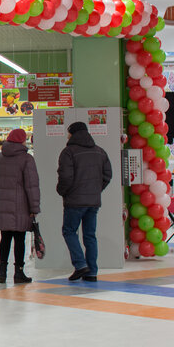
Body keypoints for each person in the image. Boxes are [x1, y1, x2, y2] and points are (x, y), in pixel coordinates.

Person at [57, 121, 112, 282]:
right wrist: (96, 190)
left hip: (74, 201)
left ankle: (80, 264)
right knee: (90, 236)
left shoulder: (68, 152)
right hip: (93, 201)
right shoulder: (100, 151)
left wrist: (62, 191)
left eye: (68, 132)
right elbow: (108, 175)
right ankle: (92, 272)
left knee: (69, 231)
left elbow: (65, 177)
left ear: (72, 133)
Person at [0, 128, 40, 284]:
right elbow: (31, 186)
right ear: (22, 140)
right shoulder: (26, 159)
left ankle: (2, 273)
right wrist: (34, 208)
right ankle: (19, 273)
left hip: (3, 204)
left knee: (4, 238)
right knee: (19, 239)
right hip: (21, 206)